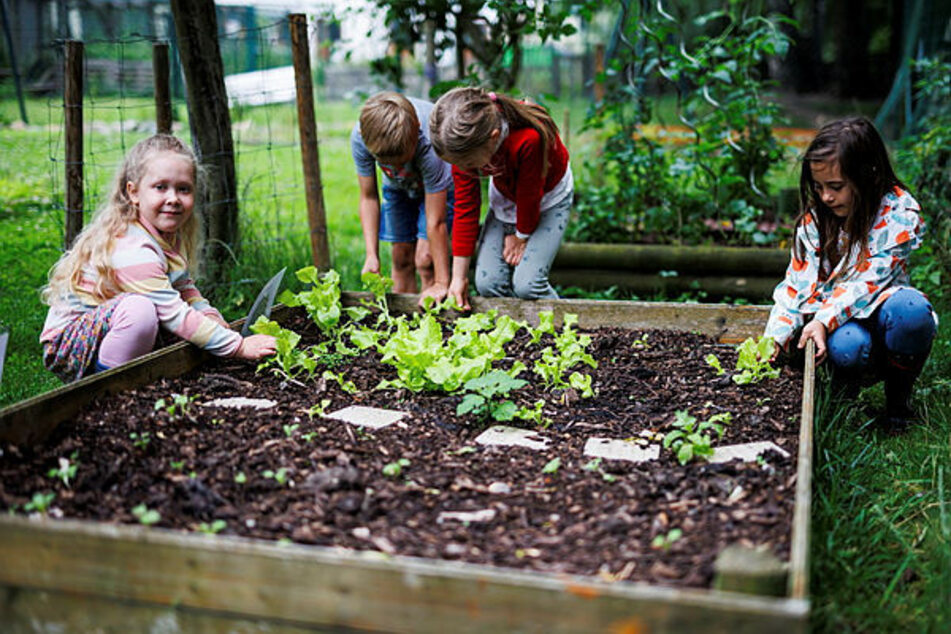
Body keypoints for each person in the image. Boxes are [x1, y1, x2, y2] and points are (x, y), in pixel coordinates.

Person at [40, 134, 276, 382]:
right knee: (141, 311)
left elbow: (184, 287)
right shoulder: (132, 248)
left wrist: (210, 315)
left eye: (183, 189)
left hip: (109, 330)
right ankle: (107, 386)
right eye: (161, 187)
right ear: (134, 192)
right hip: (70, 345)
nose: (173, 198)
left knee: (176, 322)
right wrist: (238, 346)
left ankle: (135, 373)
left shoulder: (167, 234)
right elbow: (174, 313)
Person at [764, 116, 938, 428]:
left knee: (912, 312)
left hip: (885, 314)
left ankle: (898, 405)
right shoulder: (815, 223)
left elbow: (867, 280)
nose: (826, 197)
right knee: (847, 346)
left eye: (836, 187)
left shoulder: (897, 214)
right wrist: (775, 339)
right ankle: (841, 405)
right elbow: (796, 286)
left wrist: (821, 320)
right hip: (844, 329)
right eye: (818, 187)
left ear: (869, 175)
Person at [429, 86, 572, 310]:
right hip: (506, 198)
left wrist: (520, 236)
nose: (460, 168)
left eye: (466, 164)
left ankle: (571, 330)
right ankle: (519, 333)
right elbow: (466, 209)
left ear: (493, 139)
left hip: (547, 199)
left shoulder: (527, 139)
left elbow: (529, 196)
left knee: (528, 285)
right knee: (488, 284)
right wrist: (458, 277)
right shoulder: (464, 151)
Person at [350, 91, 453, 307]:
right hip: (397, 189)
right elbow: (368, 197)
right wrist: (371, 254)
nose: (396, 168)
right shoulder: (362, 137)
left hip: (439, 187)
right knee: (401, 258)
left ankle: (433, 321)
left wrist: (442, 281)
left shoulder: (431, 140)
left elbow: (436, 222)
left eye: (401, 161)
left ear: (416, 130)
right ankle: (405, 324)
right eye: (389, 163)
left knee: (426, 260)